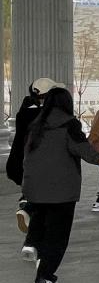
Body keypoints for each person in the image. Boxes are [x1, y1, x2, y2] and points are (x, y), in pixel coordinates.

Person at [22, 87, 99, 283]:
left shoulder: (35, 125)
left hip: (35, 187)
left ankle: (33, 244)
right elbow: (82, 149)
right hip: (61, 190)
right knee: (57, 235)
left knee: (41, 222)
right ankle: (45, 279)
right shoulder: (69, 124)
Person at [7, 78, 56, 249]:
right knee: (45, 205)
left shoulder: (24, 111)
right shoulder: (47, 115)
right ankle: (28, 211)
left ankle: (26, 206)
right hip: (40, 164)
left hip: (20, 162)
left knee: (37, 199)